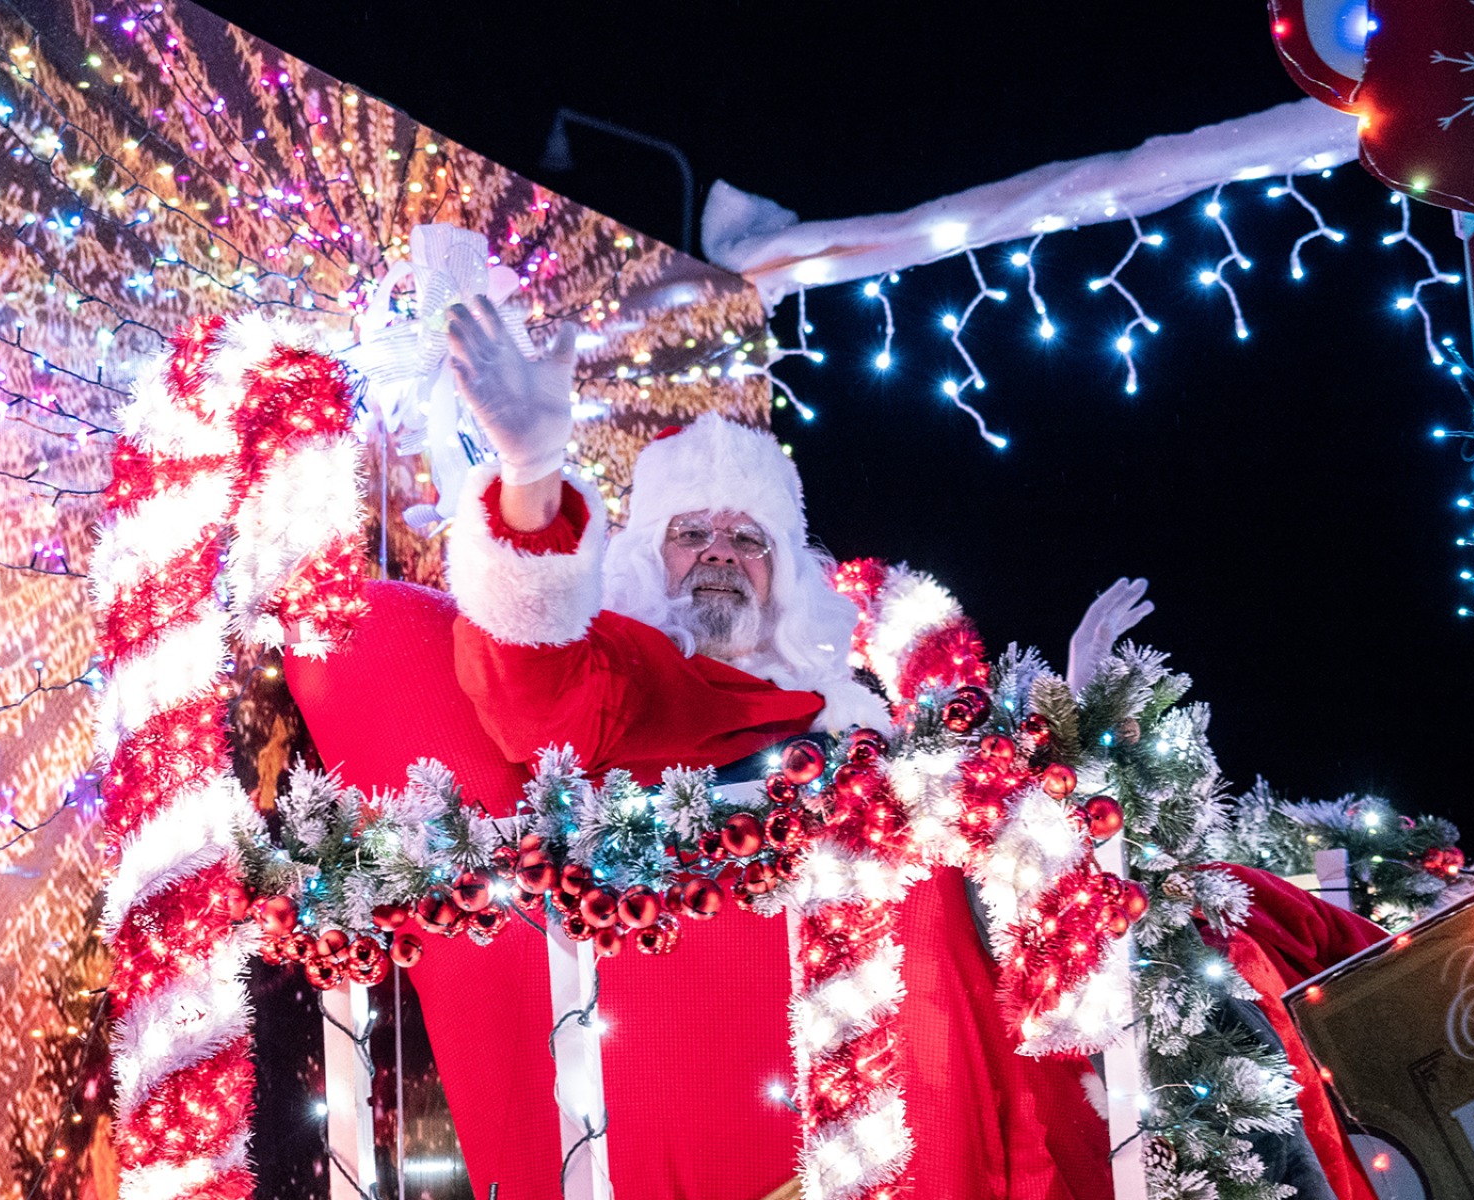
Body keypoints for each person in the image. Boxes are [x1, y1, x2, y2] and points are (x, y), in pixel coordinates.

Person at [437, 297, 1152, 1200]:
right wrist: (533, 472)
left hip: (921, 1087)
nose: (721, 554)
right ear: (644, 557)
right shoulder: (635, 671)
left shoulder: (844, 709)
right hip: (744, 1094)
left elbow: (984, 807)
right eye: (691, 532)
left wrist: (1073, 720)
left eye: (748, 538)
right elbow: (528, 681)